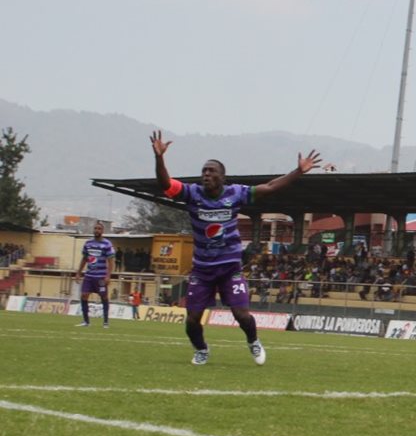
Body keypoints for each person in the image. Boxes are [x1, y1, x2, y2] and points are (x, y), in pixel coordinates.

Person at [151, 130, 321, 366]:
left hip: (229, 268)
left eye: (211, 171)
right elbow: (165, 184)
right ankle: (201, 349)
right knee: (192, 319)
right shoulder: (192, 193)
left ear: (223, 176)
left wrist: (299, 171)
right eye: (204, 171)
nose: (206, 175)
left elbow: (270, 187)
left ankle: (253, 341)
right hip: (202, 269)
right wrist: (159, 157)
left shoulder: (236, 193)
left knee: (241, 314)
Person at [74, 221, 114, 328]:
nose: (97, 230)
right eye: (95, 228)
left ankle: (105, 322)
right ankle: (86, 321)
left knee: (104, 297)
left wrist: (108, 275)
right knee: (83, 295)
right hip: (89, 276)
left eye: (99, 229)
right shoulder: (88, 243)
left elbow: (111, 261)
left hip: (101, 277)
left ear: (102, 231)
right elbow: (84, 259)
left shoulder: (107, 244)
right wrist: (78, 273)